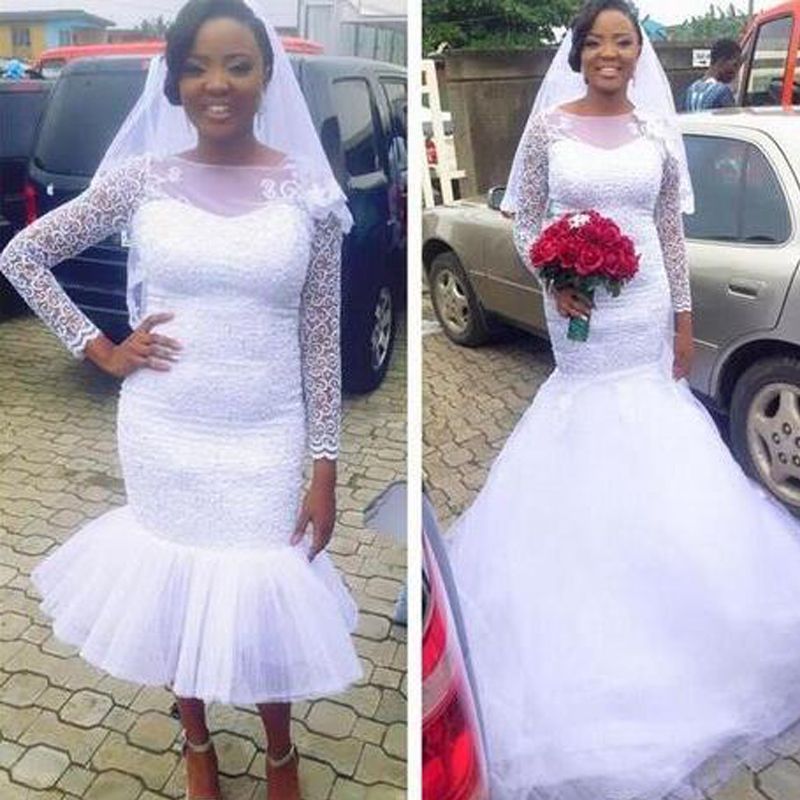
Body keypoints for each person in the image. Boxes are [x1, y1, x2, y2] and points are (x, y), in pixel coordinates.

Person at [0, 1, 361, 798]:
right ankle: (196, 739)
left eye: (237, 65)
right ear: (174, 82)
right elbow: (23, 256)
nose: (216, 83)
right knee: (174, 585)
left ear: (266, 77)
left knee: (264, 593)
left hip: (267, 432)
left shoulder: (308, 193)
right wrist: (100, 349)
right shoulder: (143, 180)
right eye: (196, 67)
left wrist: (325, 463)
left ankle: (279, 749)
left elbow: (321, 340)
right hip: (165, 427)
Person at [451, 1, 800, 798]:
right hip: (579, 310)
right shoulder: (548, 131)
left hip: (643, 310)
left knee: (657, 433)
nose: (610, 53)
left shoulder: (655, 132)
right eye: (597, 42)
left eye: (624, 42)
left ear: (639, 53)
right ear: (577, 53)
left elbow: (669, 231)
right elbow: (524, 219)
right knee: (587, 431)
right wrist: (554, 276)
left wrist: (684, 320)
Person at [684, 37, 742, 111]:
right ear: (721, 61)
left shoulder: (691, 89)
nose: (736, 71)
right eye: (735, 65)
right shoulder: (722, 92)